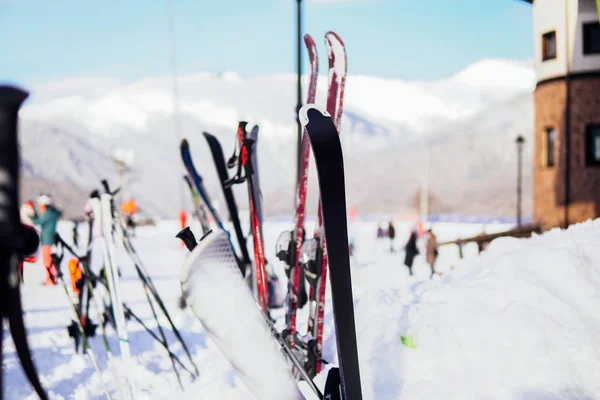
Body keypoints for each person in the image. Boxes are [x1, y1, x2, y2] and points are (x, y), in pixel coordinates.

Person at [30, 194, 62, 285]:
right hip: (51, 238)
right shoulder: (53, 212)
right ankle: (51, 278)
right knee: (50, 260)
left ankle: (51, 279)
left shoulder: (48, 214)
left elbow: (37, 221)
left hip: (47, 240)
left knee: (47, 261)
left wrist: (31, 215)